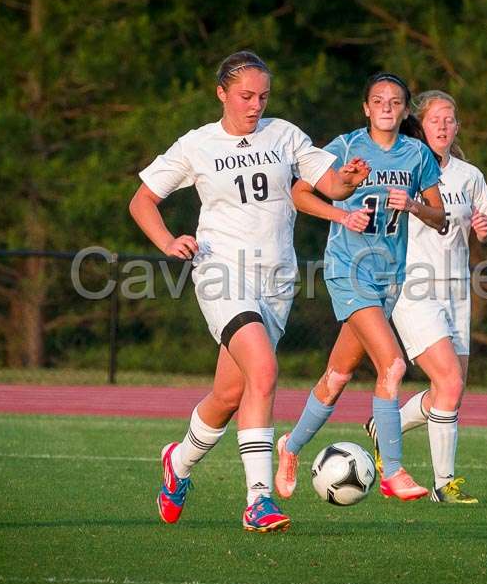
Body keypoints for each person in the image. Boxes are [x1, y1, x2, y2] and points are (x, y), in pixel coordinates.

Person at [129, 50, 370, 532]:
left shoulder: (285, 135)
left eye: (263, 96)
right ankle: (258, 500)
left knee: (228, 393)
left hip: (276, 279)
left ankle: (177, 465)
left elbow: (331, 187)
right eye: (245, 95)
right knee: (263, 370)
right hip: (221, 271)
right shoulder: (197, 144)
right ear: (222, 93)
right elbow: (142, 201)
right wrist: (168, 240)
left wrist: (347, 181)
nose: (255, 104)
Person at [275, 72, 446, 502]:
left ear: (405, 109)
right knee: (392, 365)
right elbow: (299, 193)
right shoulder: (345, 146)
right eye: (378, 100)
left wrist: (414, 205)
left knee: (337, 376)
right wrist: (341, 215)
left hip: (390, 278)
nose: (387, 106)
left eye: (395, 101)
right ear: (366, 108)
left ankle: (290, 446)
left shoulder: (417, 154)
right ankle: (393, 470)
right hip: (348, 270)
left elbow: (440, 218)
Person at [367, 90, 487, 504]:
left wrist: (484, 229)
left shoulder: (469, 175)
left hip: (457, 291)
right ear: (420, 126)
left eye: (450, 119)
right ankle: (445, 484)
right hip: (413, 287)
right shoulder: (403, 167)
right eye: (436, 119)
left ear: (457, 127)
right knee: (449, 380)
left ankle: (384, 426)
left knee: (452, 390)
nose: (443, 126)